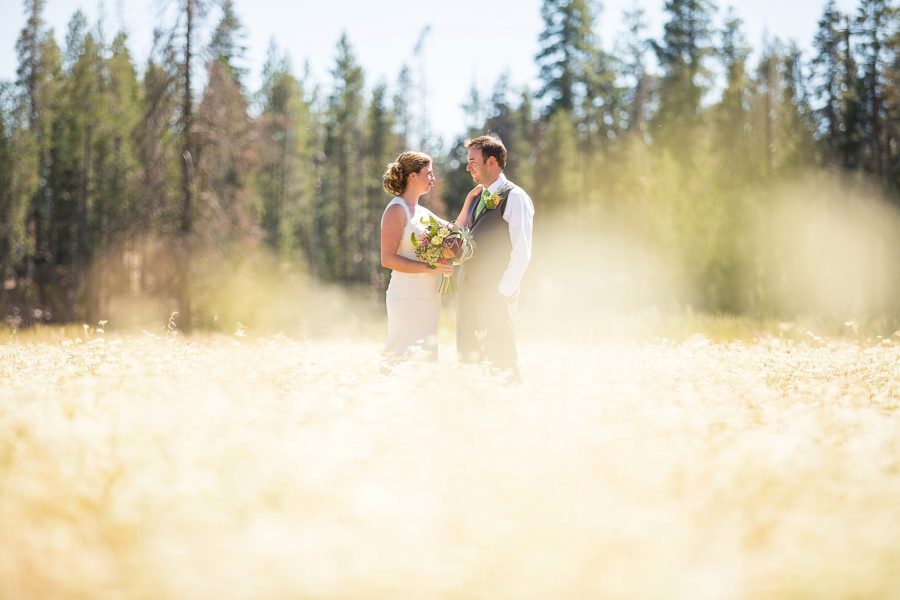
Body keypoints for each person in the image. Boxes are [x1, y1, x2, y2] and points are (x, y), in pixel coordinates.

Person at [380, 151, 475, 361]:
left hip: (429, 295)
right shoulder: (396, 210)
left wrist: (469, 200)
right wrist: (431, 268)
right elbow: (387, 259)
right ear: (412, 176)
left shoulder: (422, 212)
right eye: (429, 173)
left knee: (425, 354)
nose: (433, 179)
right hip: (406, 295)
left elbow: (455, 230)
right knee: (401, 352)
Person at [455, 136, 535, 381]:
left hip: (495, 294)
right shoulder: (478, 197)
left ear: (491, 162)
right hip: (468, 293)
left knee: (501, 361)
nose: (468, 167)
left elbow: (522, 250)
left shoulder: (515, 197)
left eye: (472, 161)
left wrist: (502, 291)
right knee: (469, 360)